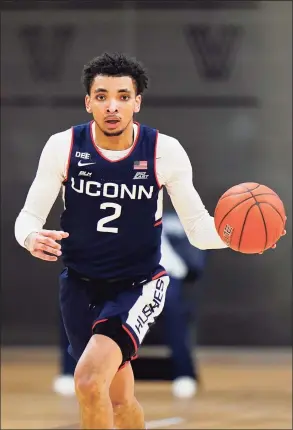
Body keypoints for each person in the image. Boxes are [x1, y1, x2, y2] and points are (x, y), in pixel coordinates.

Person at [14, 52, 281, 429]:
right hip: (78, 285)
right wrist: (29, 237)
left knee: (89, 381)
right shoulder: (64, 146)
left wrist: (241, 239)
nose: (112, 105)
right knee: (118, 399)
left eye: (123, 96)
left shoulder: (163, 151)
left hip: (137, 286)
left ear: (137, 102)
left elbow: (199, 231)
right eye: (102, 95)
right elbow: (28, 217)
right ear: (88, 101)